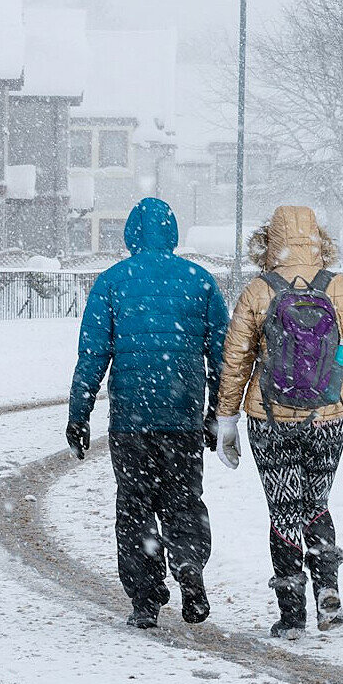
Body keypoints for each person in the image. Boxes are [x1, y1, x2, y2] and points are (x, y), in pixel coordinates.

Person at [213, 205, 343, 640]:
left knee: (284, 511)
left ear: (269, 241)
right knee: (317, 504)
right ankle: (328, 591)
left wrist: (227, 419)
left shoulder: (258, 291)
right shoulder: (341, 289)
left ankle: (292, 613)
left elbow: (235, 361)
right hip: (329, 417)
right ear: (319, 239)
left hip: (269, 418)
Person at [68, 197, 229, 629]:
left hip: (131, 419)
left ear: (130, 235)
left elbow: (93, 355)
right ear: (173, 232)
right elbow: (223, 355)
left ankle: (144, 597)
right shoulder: (200, 281)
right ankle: (189, 567)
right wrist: (217, 412)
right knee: (183, 501)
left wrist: (78, 413)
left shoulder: (112, 282)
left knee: (135, 506)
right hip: (182, 415)